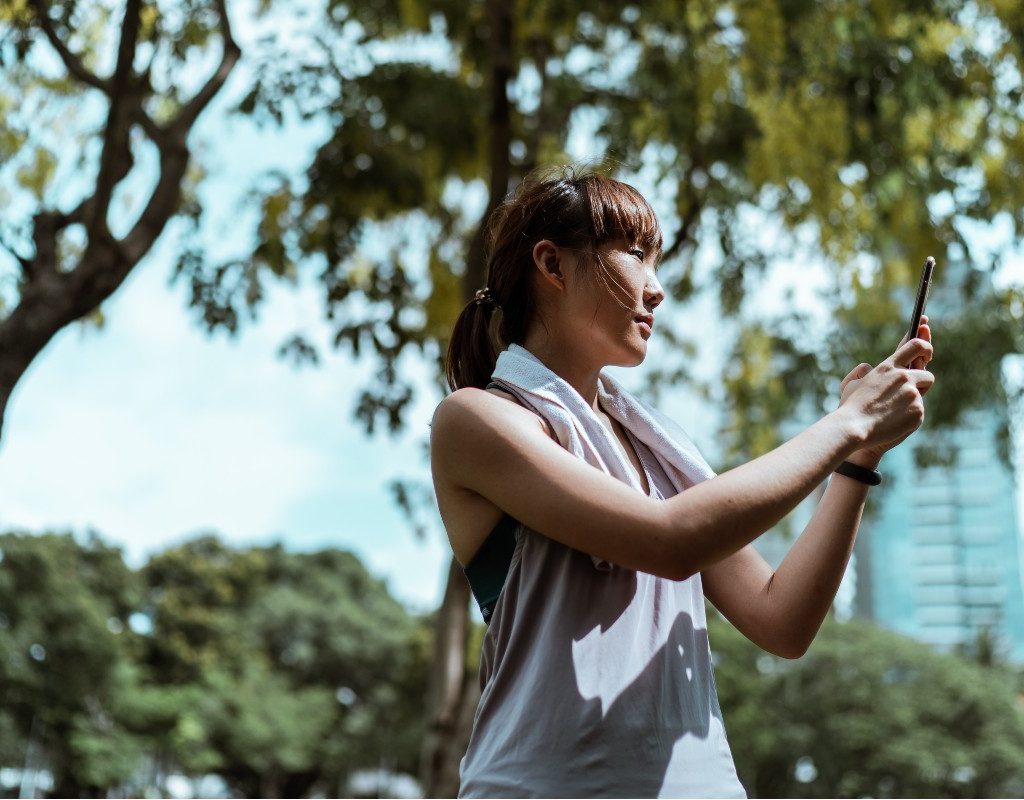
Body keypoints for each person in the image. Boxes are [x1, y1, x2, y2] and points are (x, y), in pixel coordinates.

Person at [429, 166, 934, 798]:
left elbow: (781, 619)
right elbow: (669, 541)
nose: (657, 288)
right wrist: (848, 422)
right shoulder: (477, 419)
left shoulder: (659, 448)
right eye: (635, 254)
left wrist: (859, 457)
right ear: (552, 265)